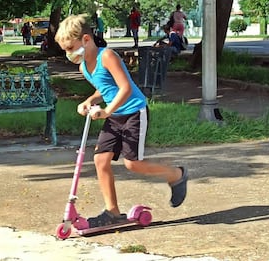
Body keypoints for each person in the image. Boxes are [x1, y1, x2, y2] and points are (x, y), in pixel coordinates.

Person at [54, 14, 188, 228]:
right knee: (100, 160)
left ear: (86, 40)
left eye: (70, 48)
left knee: (133, 164)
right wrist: (89, 101)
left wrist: (107, 111)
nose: (68, 54)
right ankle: (113, 212)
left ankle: (176, 174)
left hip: (134, 111)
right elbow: (105, 88)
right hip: (115, 116)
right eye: (65, 50)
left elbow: (125, 87)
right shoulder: (84, 67)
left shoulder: (106, 56)